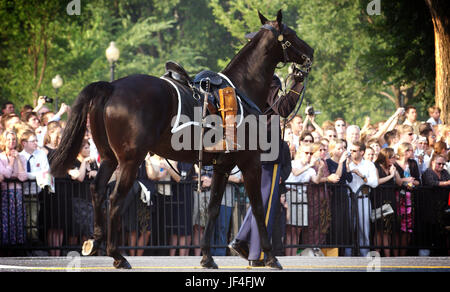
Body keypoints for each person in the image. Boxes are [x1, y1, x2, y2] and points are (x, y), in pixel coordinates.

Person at [229, 68, 306, 268]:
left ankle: (243, 239)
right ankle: (257, 252)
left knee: (260, 199)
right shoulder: (268, 80)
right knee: (267, 204)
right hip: (267, 145)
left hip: (251, 144)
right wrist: (297, 84)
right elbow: (283, 108)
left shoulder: (244, 78)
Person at [284, 143, 322, 256]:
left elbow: (316, 180)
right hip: (291, 194)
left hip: (302, 196)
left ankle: (293, 256)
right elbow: (295, 173)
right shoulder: (293, 163)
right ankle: (288, 256)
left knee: (298, 229)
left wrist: (320, 169)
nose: (309, 155)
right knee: (290, 229)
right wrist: (310, 165)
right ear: (300, 153)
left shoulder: (310, 169)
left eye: (311, 153)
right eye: (306, 153)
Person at [345, 141, 378, 256]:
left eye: (354, 150)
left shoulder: (369, 165)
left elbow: (374, 183)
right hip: (349, 199)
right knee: (348, 227)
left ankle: (364, 254)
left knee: (364, 228)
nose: (351, 153)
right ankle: (348, 254)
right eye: (351, 150)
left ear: (362, 152)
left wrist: (362, 176)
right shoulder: (347, 163)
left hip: (363, 198)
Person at [19, 130, 50, 247]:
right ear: (24, 143)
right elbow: (19, 173)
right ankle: (22, 243)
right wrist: (35, 174)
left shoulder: (40, 154)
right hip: (20, 193)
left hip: (34, 193)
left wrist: (29, 175)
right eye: (33, 141)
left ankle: (33, 243)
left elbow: (46, 171)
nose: (36, 143)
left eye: (37, 140)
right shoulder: (20, 156)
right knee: (21, 219)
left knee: (33, 219)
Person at [67, 139, 98, 246]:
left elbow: (100, 178)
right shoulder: (73, 162)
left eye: (89, 147)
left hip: (90, 199)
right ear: (79, 150)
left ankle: (86, 252)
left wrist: (95, 173)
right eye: (86, 147)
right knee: (76, 230)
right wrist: (84, 162)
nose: (88, 150)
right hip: (77, 199)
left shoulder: (93, 162)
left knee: (88, 229)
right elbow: (80, 177)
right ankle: (72, 250)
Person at [0, 130, 27, 248]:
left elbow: (23, 176)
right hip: (5, 192)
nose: (11, 142)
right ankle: (6, 245)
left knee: (18, 218)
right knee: (6, 219)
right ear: (4, 142)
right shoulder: (1, 157)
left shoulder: (21, 157)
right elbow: (5, 174)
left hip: (18, 192)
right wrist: (11, 162)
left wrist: (18, 160)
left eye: (14, 139)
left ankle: (18, 245)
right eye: (9, 139)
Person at [394, 142, 421, 256]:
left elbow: (418, 181)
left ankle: (403, 254)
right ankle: (395, 255)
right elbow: (395, 181)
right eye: (410, 150)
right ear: (404, 151)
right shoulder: (394, 164)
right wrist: (406, 180)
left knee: (408, 227)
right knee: (396, 226)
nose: (412, 152)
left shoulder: (413, 163)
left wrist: (411, 181)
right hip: (397, 198)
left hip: (410, 198)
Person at [326, 138, 352, 250]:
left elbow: (349, 178)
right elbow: (336, 177)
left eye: (343, 148)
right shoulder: (328, 162)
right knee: (335, 224)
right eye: (339, 148)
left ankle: (342, 250)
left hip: (344, 196)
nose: (342, 150)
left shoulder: (344, 162)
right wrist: (341, 163)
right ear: (332, 150)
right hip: (334, 196)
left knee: (344, 224)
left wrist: (347, 165)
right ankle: (334, 250)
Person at [373, 148, 398, 257]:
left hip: (390, 199)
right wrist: (390, 176)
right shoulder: (376, 166)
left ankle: (388, 256)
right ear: (385, 157)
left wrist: (394, 172)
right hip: (379, 199)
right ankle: (377, 253)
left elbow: (398, 182)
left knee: (387, 229)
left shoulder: (392, 167)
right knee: (379, 229)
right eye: (391, 157)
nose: (394, 159)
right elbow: (377, 182)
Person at [211, 166, 242, 256]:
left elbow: (238, 178)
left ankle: (220, 253)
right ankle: (210, 252)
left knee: (222, 228)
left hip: (226, 200)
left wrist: (218, 177)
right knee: (212, 227)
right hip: (212, 198)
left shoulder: (233, 162)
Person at [167, 160, 194, 256]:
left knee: (186, 228)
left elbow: (193, 175)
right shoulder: (174, 160)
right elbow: (178, 177)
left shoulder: (191, 161)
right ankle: (173, 256)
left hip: (188, 196)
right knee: (175, 229)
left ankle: (183, 257)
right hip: (175, 196)